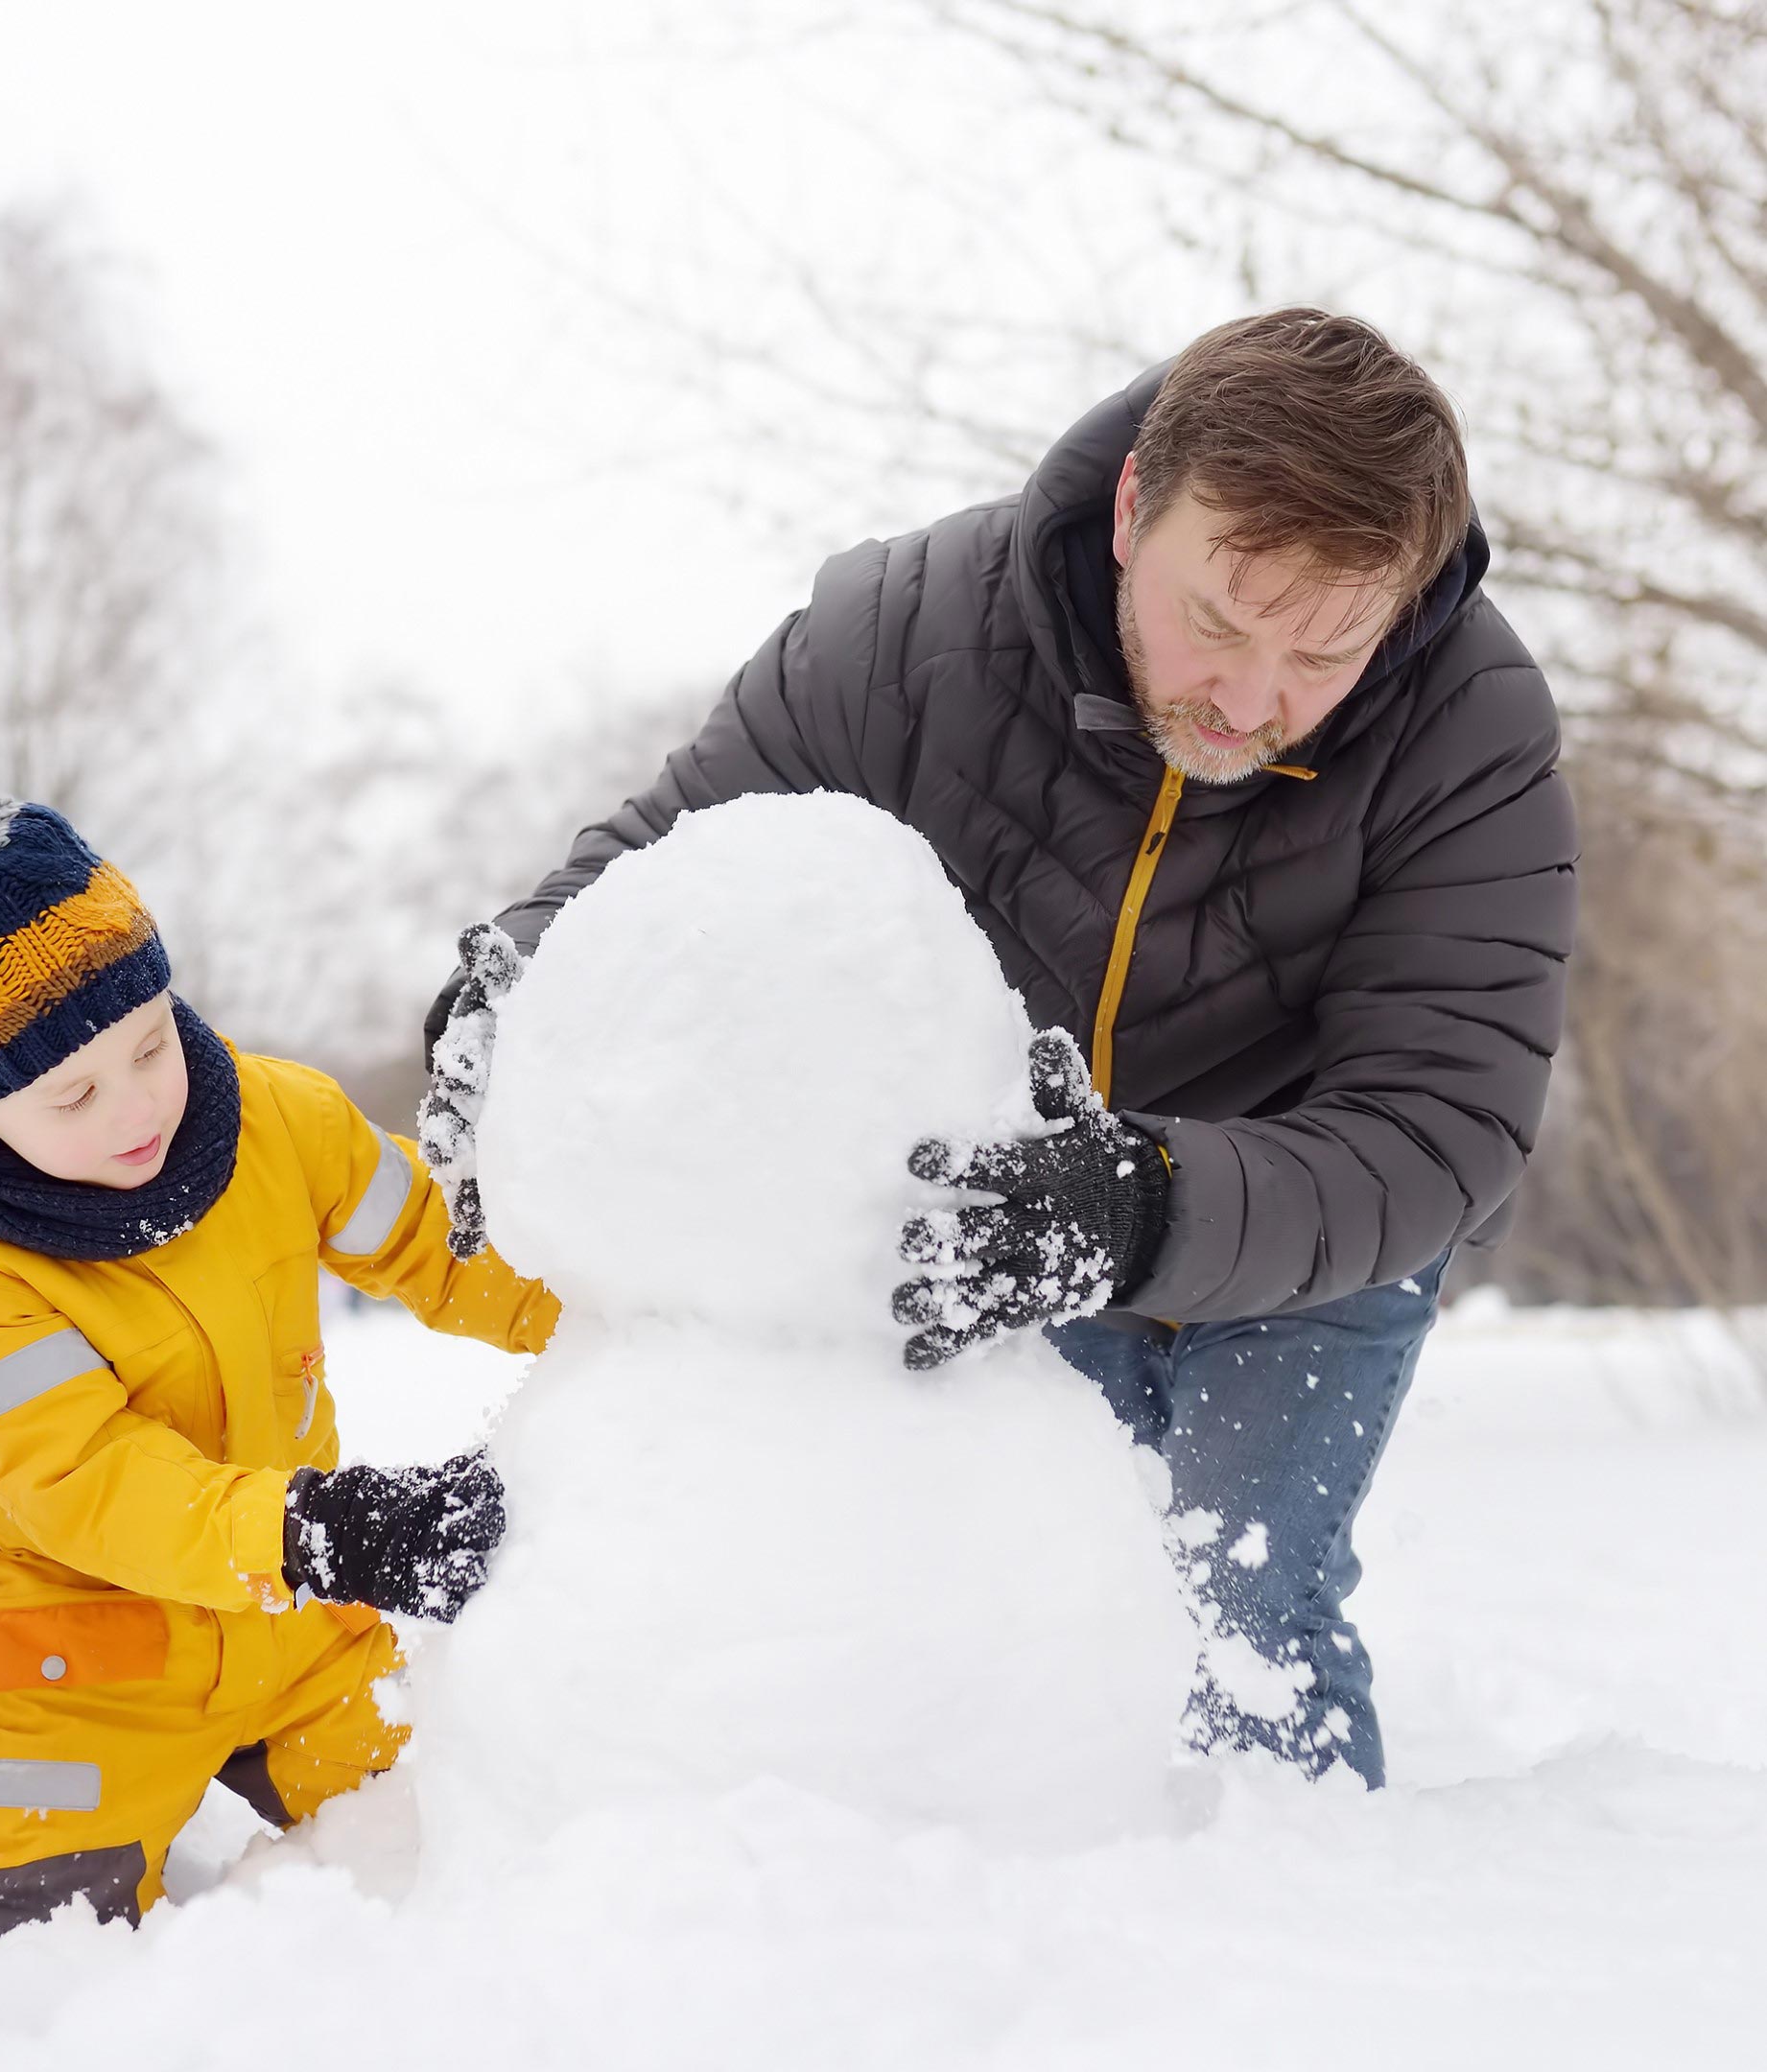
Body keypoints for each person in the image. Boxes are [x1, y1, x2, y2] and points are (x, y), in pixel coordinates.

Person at [421, 309, 1576, 1788]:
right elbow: (658, 860)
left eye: (1321, 651)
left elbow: (1442, 1128)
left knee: (1242, 1602)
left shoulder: (1468, 731)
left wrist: (1143, 1205)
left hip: (1310, 1222)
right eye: (1214, 621)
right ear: (1128, 510)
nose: (1249, 696)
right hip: (1011, 1203)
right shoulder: (909, 634)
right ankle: (1047, 1961)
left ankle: (1292, 1969)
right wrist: (502, 1009)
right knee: (1048, 1611)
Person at [0, 760, 555, 2001]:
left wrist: (618, 1305)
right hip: (78, 1672)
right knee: (14, 1983)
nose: (136, 1103)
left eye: (147, 1042)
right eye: (72, 1093)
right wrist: (318, 1530)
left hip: (293, 1635)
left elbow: (445, 1251)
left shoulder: (277, 1121)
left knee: (452, 1834)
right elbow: (92, 1482)